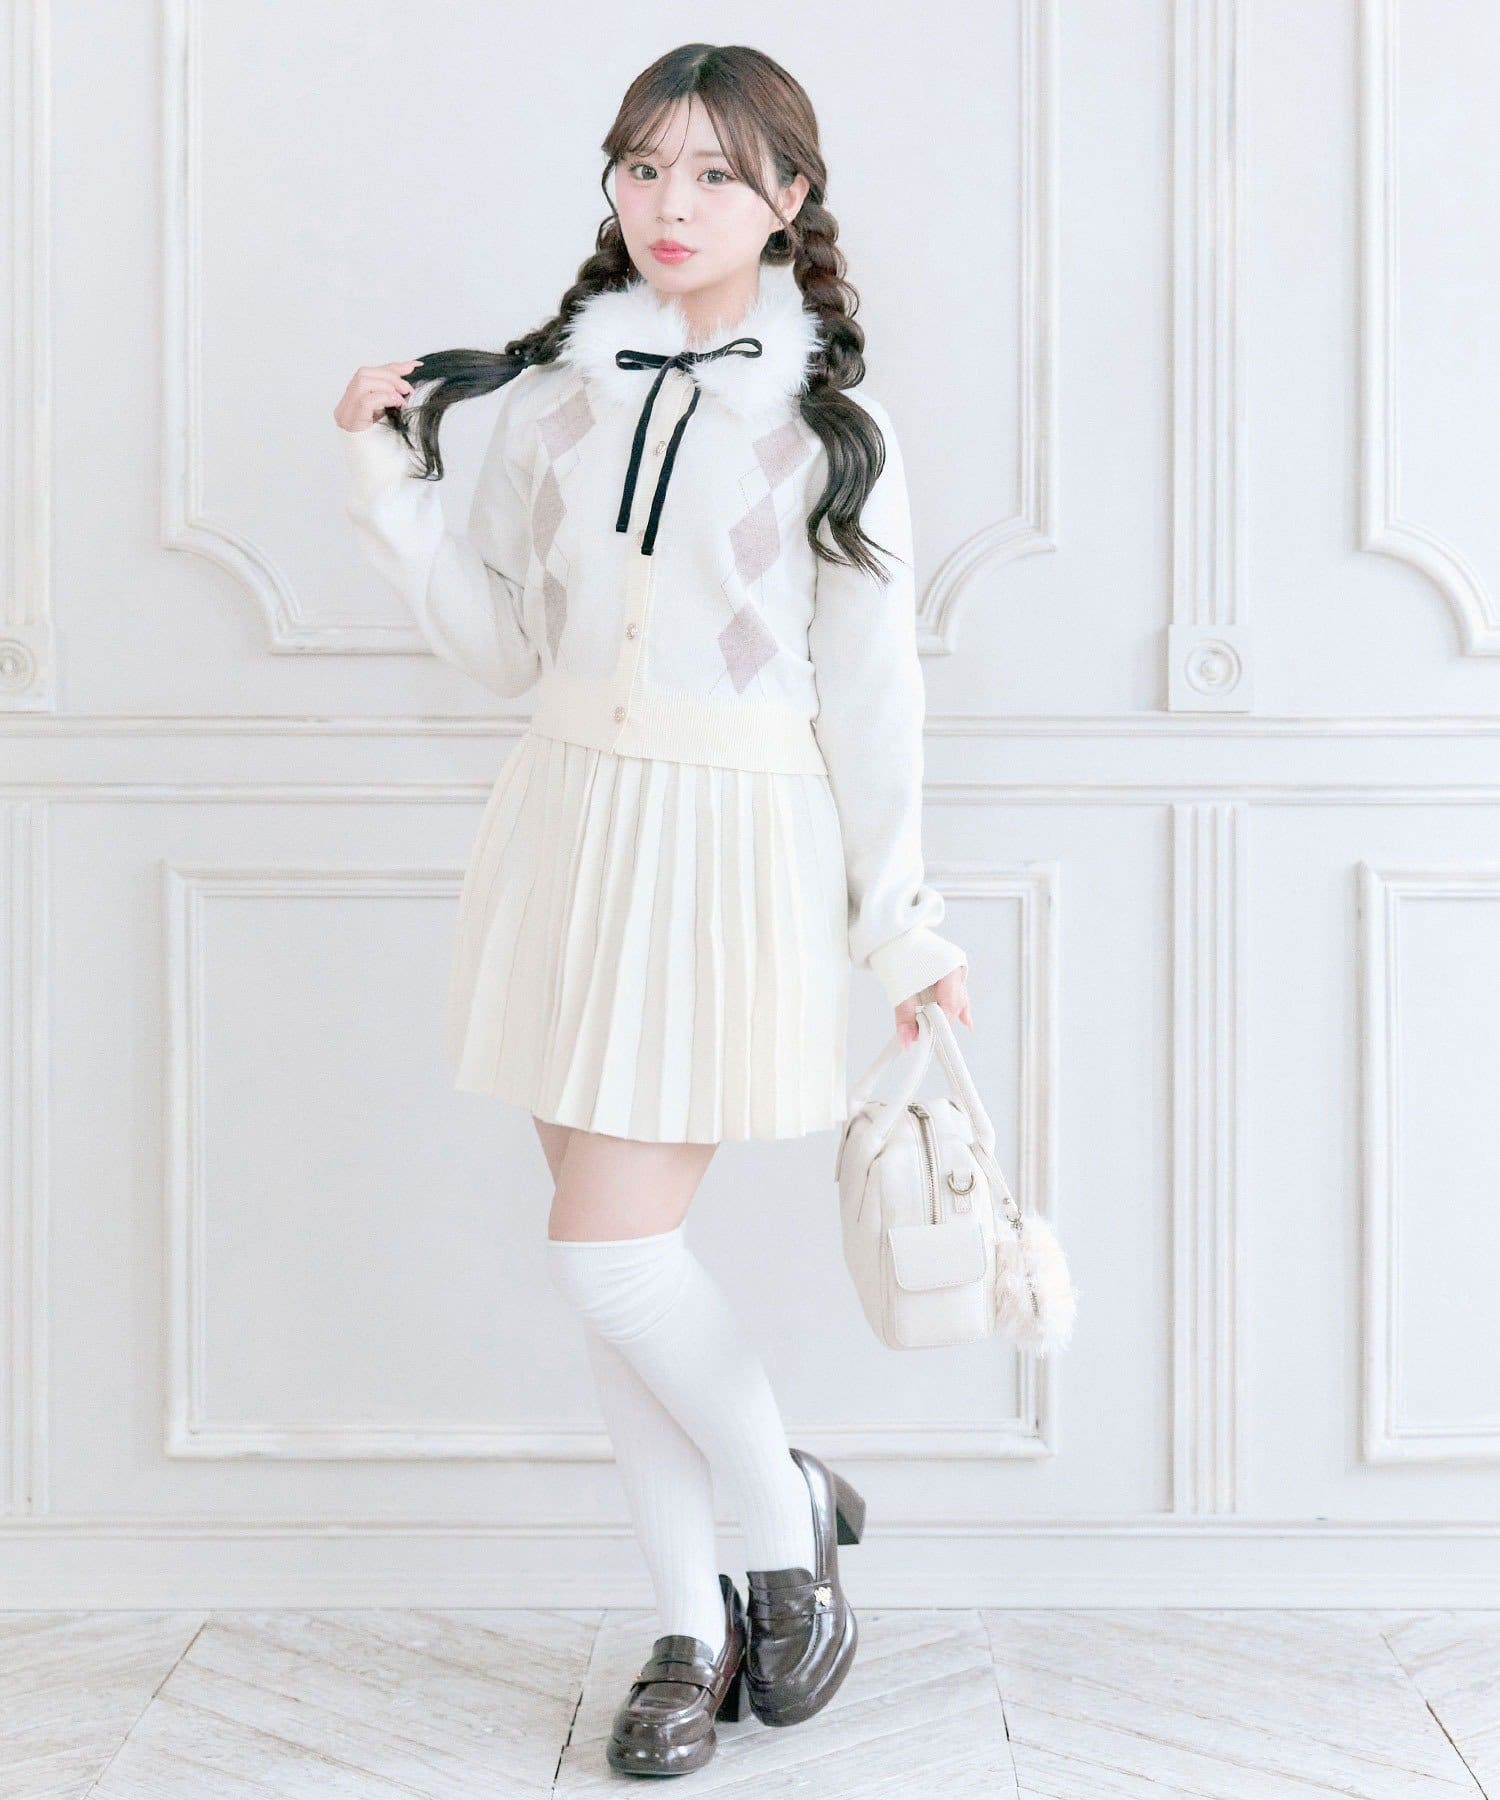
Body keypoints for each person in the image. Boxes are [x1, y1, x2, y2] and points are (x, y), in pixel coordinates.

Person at [333, 41, 971, 1780]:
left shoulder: (829, 429)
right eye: (641, 167)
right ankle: (694, 1627)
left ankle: (780, 1522)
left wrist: (902, 922)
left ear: (789, 197)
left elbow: (874, 694)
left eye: (711, 173)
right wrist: (392, 489)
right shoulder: (558, 397)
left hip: (729, 838)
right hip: (566, 825)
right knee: (618, 1271)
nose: (668, 205)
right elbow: (501, 648)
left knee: (609, 1257)